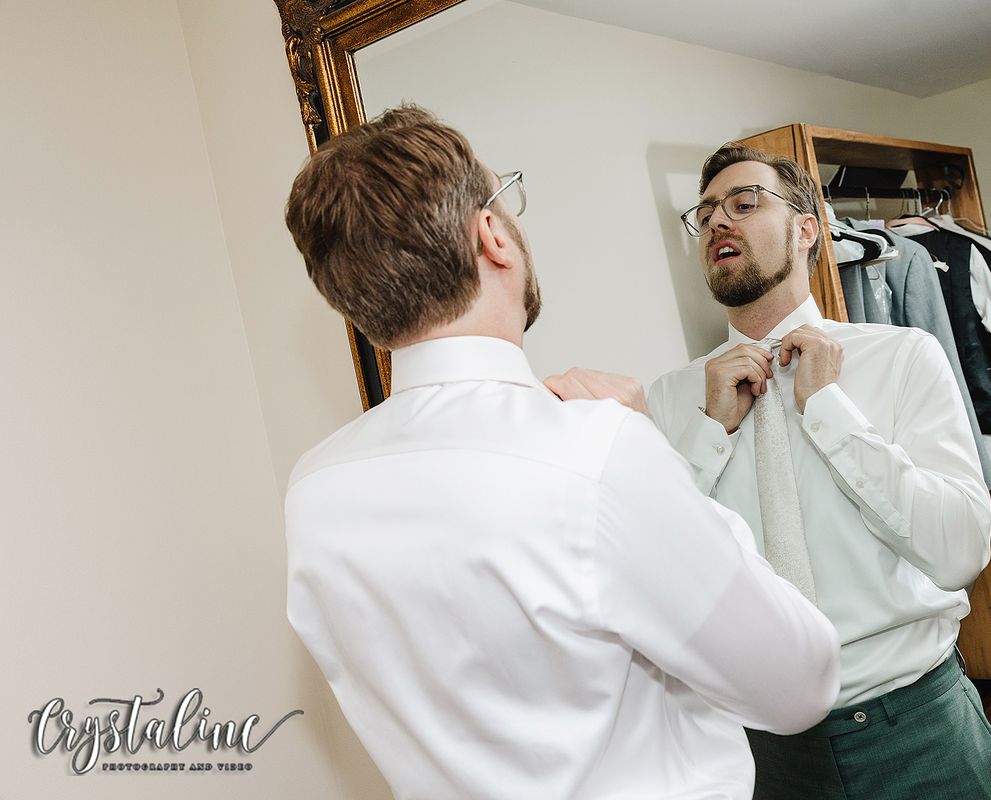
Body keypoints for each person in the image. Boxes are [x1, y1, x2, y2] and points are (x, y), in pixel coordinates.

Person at [281, 106, 839, 800]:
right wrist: (651, 457)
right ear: (493, 236)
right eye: (503, 197)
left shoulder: (314, 490)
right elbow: (800, 682)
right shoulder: (597, 451)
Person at [647, 143, 991, 799]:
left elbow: (958, 552)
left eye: (744, 203)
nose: (718, 222)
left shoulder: (903, 358)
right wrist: (709, 436)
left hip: (918, 728)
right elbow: (658, 576)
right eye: (704, 215)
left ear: (807, 228)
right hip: (763, 752)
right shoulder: (673, 399)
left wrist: (831, 413)